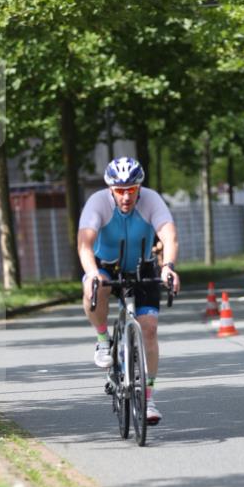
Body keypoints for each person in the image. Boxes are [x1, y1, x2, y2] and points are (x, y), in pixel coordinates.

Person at [77, 157, 181, 425]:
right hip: (105, 266)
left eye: (131, 190)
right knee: (96, 286)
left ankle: (148, 398)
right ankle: (103, 339)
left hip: (141, 267)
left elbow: (169, 236)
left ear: (139, 188)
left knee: (149, 329)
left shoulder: (151, 200)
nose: (126, 196)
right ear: (110, 189)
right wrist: (91, 274)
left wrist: (168, 267)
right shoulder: (97, 203)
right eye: (120, 190)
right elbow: (85, 244)